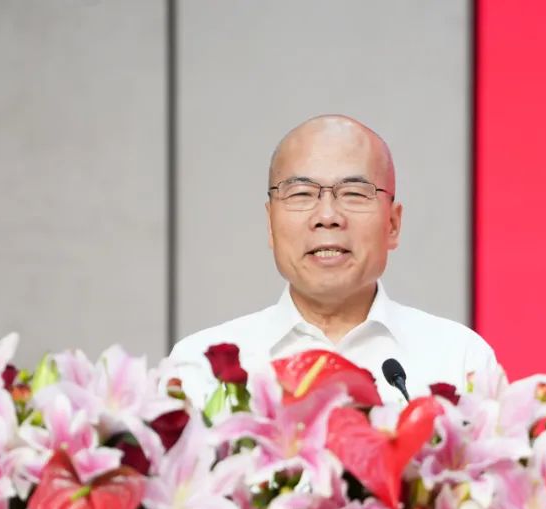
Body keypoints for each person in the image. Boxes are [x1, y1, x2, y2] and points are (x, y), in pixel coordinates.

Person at [168, 114, 498, 405]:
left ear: (392, 224)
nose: (327, 216)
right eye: (301, 194)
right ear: (270, 224)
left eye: (354, 193)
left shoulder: (459, 360)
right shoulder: (199, 369)